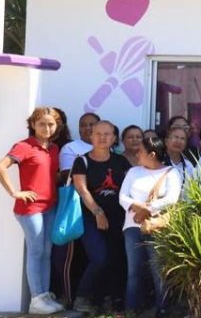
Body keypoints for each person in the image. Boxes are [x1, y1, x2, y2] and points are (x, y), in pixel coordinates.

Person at [0, 107, 65, 315]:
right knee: (36, 251)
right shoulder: (24, 146)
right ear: (33, 125)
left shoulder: (54, 148)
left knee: (47, 252)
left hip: (50, 206)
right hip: (30, 208)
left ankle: (44, 295)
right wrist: (15, 192)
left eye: (51, 124)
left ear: (57, 126)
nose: (46, 128)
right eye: (41, 124)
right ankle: (36, 300)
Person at [71, 121, 131, 313]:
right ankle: (82, 298)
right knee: (99, 258)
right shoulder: (82, 161)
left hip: (118, 218)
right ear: (91, 136)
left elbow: (131, 187)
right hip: (90, 217)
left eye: (107, 134)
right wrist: (98, 212)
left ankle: (107, 300)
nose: (102, 137)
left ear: (114, 138)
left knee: (116, 259)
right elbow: (82, 189)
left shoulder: (121, 161)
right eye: (98, 133)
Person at [119, 134, 182, 316]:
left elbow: (172, 199)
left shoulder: (171, 172)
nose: (137, 154)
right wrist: (138, 206)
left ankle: (162, 309)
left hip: (157, 226)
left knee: (158, 270)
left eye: (140, 151)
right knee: (134, 269)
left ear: (152, 154)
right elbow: (123, 196)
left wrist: (147, 209)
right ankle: (131, 308)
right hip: (132, 226)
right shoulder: (133, 172)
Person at [60, 112, 100, 177]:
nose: (87, 128)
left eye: (92, 125)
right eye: (83, 125)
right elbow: (67, 175)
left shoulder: (107, 147)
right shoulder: (70, 148)